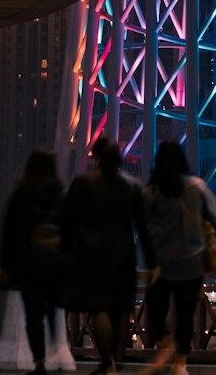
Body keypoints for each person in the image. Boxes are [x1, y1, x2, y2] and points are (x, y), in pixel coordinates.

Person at [60, 138, 155, 375]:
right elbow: (142, 227)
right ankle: (115, 358)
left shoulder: (82, 183)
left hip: (92, 255)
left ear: (97, 157)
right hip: (124, 254)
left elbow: (66, 221)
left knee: (99, 308)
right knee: (122, 308)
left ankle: (108, 363)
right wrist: (152, 262)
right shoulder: (132, 186)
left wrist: (66, 252)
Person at [142, 141, 216, 375]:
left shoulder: (152, 192)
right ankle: (180, 363)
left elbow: (142, 225)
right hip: (192, 262)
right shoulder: (197, 187)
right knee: (186, 314)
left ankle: (165, 343)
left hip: (162, 264)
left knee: (155, 308)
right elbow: (215, 215)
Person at [0, 149, 65, 375]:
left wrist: (6, 265)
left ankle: (39, 362)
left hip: (29, 264)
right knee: (53, 308)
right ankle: (58, 348)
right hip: (55, 263)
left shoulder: (22, 195)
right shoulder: (60, 196)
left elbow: (10, 232)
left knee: (33, 315)